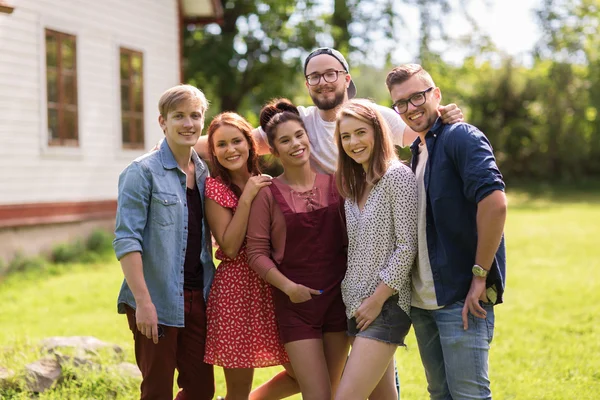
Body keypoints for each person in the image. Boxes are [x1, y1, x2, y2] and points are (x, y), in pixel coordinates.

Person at [386, 64, 507, 400]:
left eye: (418, 96)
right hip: (424, 304)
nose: (411, 107)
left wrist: (480, 276)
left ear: (436, 94)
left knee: (469, 395)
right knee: (439, 394)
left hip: (461, 298)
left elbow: (495, 204)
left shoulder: (460, 136)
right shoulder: (418, 151)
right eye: (401, 103)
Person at [194, 47, 464, 172]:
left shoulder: (373, 116)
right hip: (324, 232)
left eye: (331, 74)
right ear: (307, 84)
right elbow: (236, 144)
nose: (322, 82)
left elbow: (420, 133)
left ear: (346, 79)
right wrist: (178, 144)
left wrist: (443, 115)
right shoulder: (297, 123)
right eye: (314, 77)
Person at [113, 84, 216, 400]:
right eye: (179, 116)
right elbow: (126, 239)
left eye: (195, 116)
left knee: (201, 390)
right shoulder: (142, 172)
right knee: (157, 390)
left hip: (197, 297)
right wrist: (144, 303)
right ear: (163, 122)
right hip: (155, 299)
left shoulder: (202, 173)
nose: (188, 123)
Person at [246, 99, 350, 400]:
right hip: (295, 306)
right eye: (285, 141)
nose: (296, 144)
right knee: (315, 394)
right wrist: (289, 288)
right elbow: (256, 253)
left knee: (332, 392)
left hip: (337, 302)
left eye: (299, 135)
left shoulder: (336, 184)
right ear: (274, 150)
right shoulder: (267, 194)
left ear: (309, 137)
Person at [202, 112, 299, 400]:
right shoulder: (214, 189)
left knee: (304, 374)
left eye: (236, 141)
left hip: (274, 287)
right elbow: (229, 248)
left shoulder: (268, 183)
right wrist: (246, 198)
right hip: (237, 293)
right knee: (238, 389)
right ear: (214, 151)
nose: (230, 150)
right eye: (221, 144)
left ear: (249, 143)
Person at [333, 99, 418, 400]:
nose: (353, 142)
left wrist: (377, 300)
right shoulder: (354, 184)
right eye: (346, 136)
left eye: (360, 132)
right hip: (356, 304)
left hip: (386, 305)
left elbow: (408, 246)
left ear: (378, 132)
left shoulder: (398, 177)